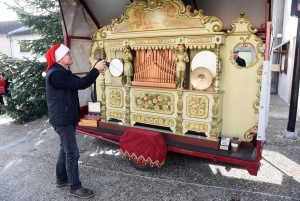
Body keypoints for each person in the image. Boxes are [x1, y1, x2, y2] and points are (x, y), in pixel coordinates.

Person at [44, 43, 108, 199]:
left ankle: (61, 179)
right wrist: (96, 69)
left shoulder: (62, 71)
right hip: (63, 119)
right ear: (59, 58)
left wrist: (96, 70)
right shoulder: (56, 74)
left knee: (64, 149)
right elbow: (81, 84)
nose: (71, 55)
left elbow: (82, 80)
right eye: (68, 54)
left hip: (65, 117)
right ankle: (75, 187)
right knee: (72, 153)